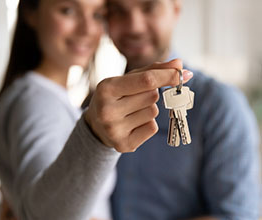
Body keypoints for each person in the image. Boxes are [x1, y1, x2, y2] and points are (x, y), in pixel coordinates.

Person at [0, 0, 193, 219]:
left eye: (97, 15)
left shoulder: (43, 96)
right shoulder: (37, 102)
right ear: (30, 12)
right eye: (68, 10)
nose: (88, 29)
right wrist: (96, 139)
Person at [104, 0, 261, 219]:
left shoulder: (219, 105)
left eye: (149, 7)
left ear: (175, 10)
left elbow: (236, 215)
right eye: (118, 11)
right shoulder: (96, 106)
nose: (134, 27)